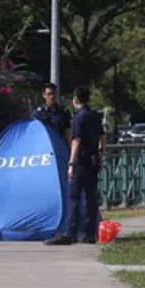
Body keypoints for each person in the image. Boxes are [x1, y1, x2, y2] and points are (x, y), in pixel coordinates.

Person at [45, 86, 106, 245]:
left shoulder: (79, 118)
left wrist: (71, 163)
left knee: (74, 197)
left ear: (76, 99)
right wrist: (100, 155)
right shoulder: (95, 116)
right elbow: (102, 137)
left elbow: (76, 141)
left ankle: (70, 232)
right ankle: (89, 233)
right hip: (93, 161)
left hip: (80, 162)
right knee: (91, 198)